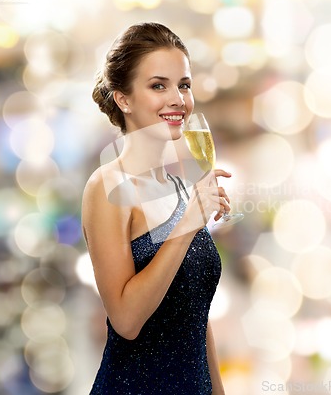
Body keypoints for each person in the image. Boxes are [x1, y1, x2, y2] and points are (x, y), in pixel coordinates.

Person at [82, 22, 230, 394]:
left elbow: (195, 314)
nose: (178, 99)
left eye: (184, 84)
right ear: (124, 99)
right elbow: (126, 320)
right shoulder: (107, 186)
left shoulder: (180, 188)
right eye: (158, 86)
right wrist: (187, 227)